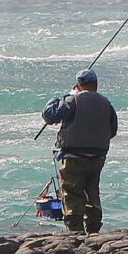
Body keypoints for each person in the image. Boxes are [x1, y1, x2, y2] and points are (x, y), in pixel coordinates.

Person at [41, 69, 118, 234]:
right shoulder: (107, 104)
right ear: (96, 85)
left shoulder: (72, 101)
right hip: (97, 159)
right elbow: (113, 130)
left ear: (78, 85)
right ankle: (94, 231)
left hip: (73, 158)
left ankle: (75, 233)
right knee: (92, 195)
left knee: (72, 194)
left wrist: (57, 99)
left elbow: (49, 116)